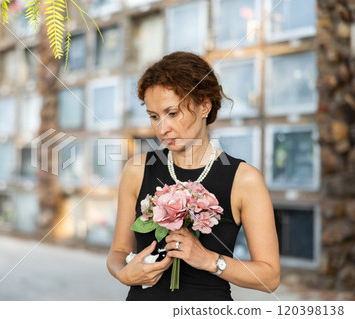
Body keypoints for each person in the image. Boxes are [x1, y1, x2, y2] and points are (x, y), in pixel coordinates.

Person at [106, 51, 280, 301]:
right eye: (154, 116)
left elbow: (270, 277)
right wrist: (123, 274)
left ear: (205, 106)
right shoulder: (136, 170)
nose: (162, 128)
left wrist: (209, 260)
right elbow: (118, 251)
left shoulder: (245, 180)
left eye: (172, 113)